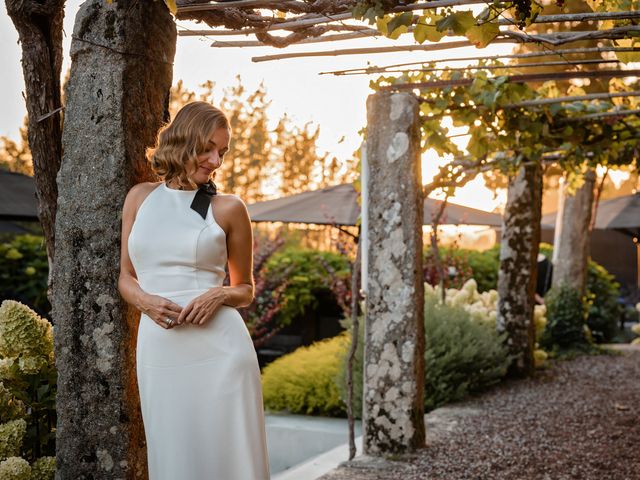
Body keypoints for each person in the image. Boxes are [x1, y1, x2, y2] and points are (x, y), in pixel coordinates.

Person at [118, 101, 270, 479]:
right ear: (184, 140)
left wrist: (218, 294)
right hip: (160, 349)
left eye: (223, 151)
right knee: (173, 457)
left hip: (220, 352)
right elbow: (125, 276)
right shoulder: (139, 197)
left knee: (231, 461)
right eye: (209, 148)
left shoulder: (229, 208)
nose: (216, 161)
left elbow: (245, 289)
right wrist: (144, 302)